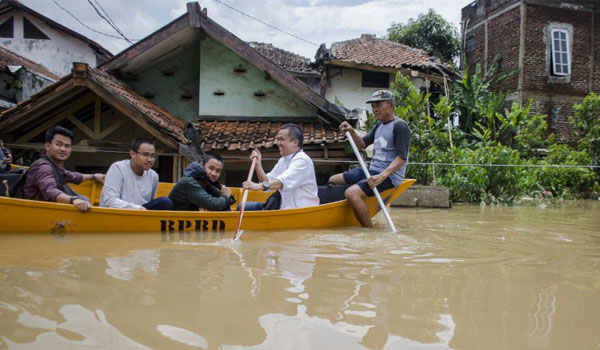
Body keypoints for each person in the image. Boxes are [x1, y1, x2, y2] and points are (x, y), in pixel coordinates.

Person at [329, 90, 410, 227]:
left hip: (388, 177)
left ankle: (369, 232)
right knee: (333, 180)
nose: (375, 109)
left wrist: (381, 177)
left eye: (378, 105)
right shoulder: (379, 125)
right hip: (371, 170)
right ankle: (345, 212)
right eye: (373, 106)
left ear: (391, 106)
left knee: (351, 193)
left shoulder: (399, 125)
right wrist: (351, 131)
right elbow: (362, 144)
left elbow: (402, 158)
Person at [23, 126, 105, 212]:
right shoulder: (44, 168)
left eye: (67, 146)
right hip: (37, 213)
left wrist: (93, 176)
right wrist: (73, 200)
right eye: (58, 144)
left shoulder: (55, 166)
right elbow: (50, 190)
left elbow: (72, 176)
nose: (63, 149)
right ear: (47, 146)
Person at [242, 123, 319, 210]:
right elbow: (266, 182)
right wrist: (258, 164)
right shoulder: (283, 160)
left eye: (281, 139)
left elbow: (281, 182)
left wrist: (258, 186)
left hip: (301, 212)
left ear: (295, 142)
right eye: (277, 139)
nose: (278, 143)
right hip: (283, 209)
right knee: (242, 207)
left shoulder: (302, 160)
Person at [100, 138, 173, 210]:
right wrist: (138, 208)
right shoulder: (118, 169)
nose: (150, 159)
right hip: (118, 214)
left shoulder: (153, 176)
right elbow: (109, 200)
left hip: (142, 214)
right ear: (133, 154)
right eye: (145, 155)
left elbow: (150, 203)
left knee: (165, 202)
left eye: (153, 156)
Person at [168, 151, 236, 211]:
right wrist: (226, 195)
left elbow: (222, 203)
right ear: (202, 165)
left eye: (218, 171)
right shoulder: (190, 182)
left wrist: (226, 196)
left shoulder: (206, 182)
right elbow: (214, 204)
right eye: (211, 168)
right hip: (174, 221)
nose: (214, 173)